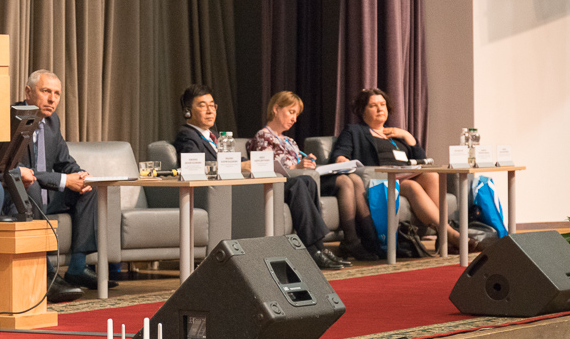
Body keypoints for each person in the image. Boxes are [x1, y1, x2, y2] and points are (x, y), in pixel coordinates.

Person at [176, 85, 345, 270]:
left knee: (307, 181)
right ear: (187, 111)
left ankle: (317, 249)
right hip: (226, 191)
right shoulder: (187, 136)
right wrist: (241, 165)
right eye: (202, 105)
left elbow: (235, 160)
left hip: (240, 184)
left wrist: (250, 163)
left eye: (212, 105)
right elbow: (196, 165)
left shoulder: (215, 137)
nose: (210, 110)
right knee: (296, 184)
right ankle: (313, 252)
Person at [330, 87, 476, 252]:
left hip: (405, 175)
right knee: (412, 186)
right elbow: (340, 154)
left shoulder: (395, 134)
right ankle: (450, 234)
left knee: (432, 176)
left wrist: (408, 136)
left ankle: (443, 236)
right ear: (362, 110)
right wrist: (341, 159)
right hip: (382, 180)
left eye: (383, 105)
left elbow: (422, 160)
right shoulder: (355, 131)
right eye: (373, 106)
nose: (380, 109)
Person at [249, 91, 381, 262]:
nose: (294, 119)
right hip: (279, 184)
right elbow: (265, 167)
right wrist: (297, 167)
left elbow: (299, 166)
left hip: (302, 180)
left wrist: (308, 165)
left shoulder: (290, 141)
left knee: (325, 180)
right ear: (276, 109)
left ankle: (321, 248)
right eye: (291, 112)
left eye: (296, 115)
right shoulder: (263, 136)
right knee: (312, 182)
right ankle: (325, 247)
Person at [19, 69, 113, 302]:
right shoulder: (13, 120)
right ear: (28, 93)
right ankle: (47, 274)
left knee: (88, 189)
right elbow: (17, 171)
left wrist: (81, 176)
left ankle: (77, 268)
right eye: (46, 91)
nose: (52, 99)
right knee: (31, 186)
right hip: (20, 195)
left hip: (46, 195)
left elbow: (64, 160)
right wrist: (64, 180)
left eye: (57, 94)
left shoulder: (52, 122)